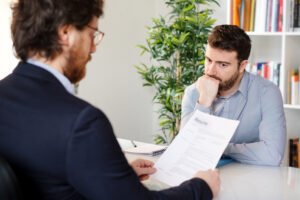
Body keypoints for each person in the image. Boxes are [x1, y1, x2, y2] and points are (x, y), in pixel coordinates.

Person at [0, 0, 220, 199]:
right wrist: (201, 187)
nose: (94, 47)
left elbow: (46, 175)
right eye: (91, 34)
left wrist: (112, 177)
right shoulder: (82, 122)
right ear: (65, 33)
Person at [181, 25, 286, 166]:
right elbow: (186, 149)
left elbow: (272, 155)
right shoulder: (193, 92)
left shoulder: (267, 93)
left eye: (222, 65)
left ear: (242, 66)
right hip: (204, 178)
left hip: (250, 180)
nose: (210, 71)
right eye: (208, 60)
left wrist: (222, 147)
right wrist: (204, 102)